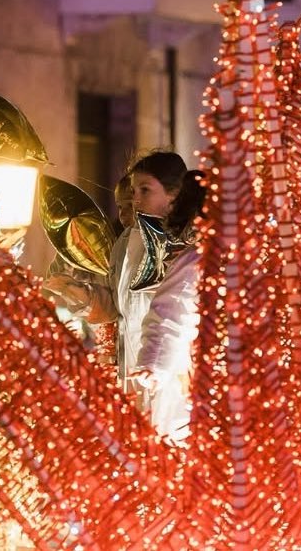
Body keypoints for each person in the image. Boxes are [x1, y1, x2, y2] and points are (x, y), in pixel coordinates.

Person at [46, 151, 188, 392]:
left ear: (173, 194)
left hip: (173, 375)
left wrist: (155, 365)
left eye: (145, 190)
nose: (136, 200)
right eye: (133, 192)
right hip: (132, 371)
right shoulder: (125, 243)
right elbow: (117, 306)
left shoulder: (184, 242)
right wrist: (80, 294)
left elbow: (173, 310)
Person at [129, 169, 206, 441]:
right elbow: (171, 312)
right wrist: (155, 363)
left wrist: (154, 364)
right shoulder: (199, 260)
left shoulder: (201, 259)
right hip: (200, 379)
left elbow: (170, 312)